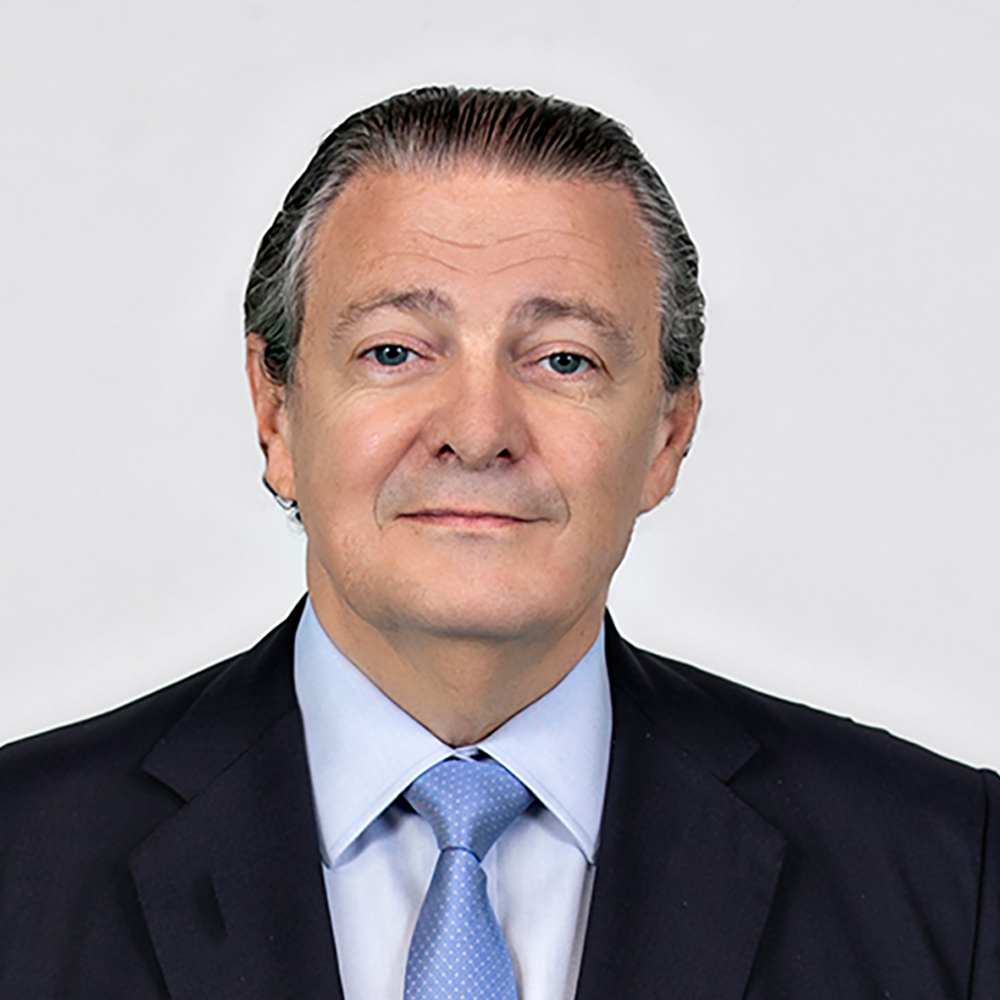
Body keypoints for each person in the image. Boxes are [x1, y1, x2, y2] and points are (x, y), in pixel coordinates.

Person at [0, 86, 996, 1000]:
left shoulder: (950, 871)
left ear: (668, 433)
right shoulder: (21, 860)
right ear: (276, 413)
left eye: (563, 359)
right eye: (394, 351)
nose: (477, 431)